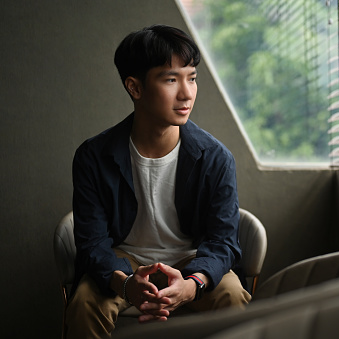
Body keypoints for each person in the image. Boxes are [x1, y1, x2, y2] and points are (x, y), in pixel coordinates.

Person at [65, 25, 251, 339]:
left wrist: (192, 286)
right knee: (84, 304)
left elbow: (223, 242)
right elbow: (92, 244)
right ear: (134, 87)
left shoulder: (215, 157)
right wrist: (124, 283)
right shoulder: (93, 156)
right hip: (124, 262)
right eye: (170, 79)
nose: (186, 92)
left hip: (192, 258)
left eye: (191, 77)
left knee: (233, 296)